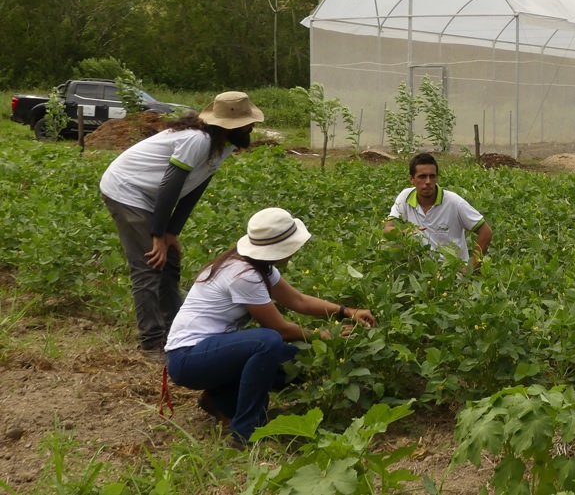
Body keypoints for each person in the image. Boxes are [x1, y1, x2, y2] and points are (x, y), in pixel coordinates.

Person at [164, 207, 377, 447]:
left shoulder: (259, 267)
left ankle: (220, 400)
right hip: (188, 358)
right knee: (267, 342)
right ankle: (245, 433)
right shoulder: (243, 274)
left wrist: (346, 311)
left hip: (210, 353)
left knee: (300, 359)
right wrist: (323, 335)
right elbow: (281, 330)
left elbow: (299, 301)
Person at [101, 91, 265, 359]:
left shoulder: (223, 145)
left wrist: (170, 232)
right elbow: (171, 185)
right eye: (248, 122)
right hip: (127, 189)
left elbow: (196, 186)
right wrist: (156, 235)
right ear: (230, 125)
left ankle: (177, 332)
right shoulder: (196, 140)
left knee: (171, 261)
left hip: (149, 194)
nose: (252, 127)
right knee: (150, 263)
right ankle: (152, 342)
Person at [383, 152, 492, 271]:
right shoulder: (405, 197)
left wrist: (471, 268)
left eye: (432, 176)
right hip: (420, 268)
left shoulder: (453, 202)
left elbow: (486, 232)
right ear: (411, 179)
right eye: (422, 176)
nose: (428, 181)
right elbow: (387, 229)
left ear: (437, 178)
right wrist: (407, 231)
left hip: (451, 270)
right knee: (385, 246)